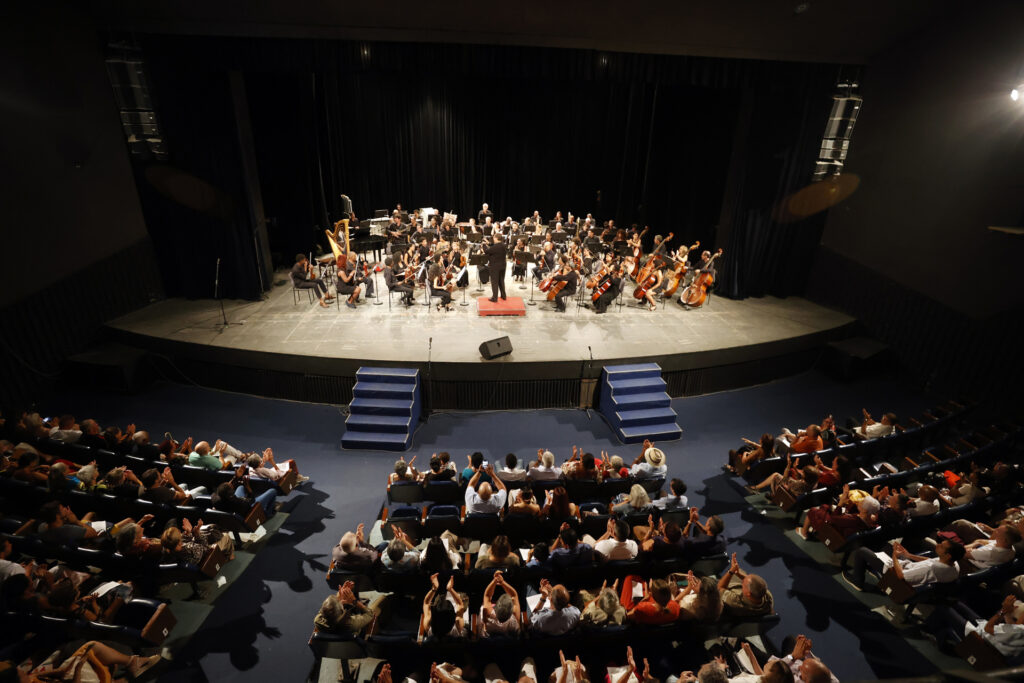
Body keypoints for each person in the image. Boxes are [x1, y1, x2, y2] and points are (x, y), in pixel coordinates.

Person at [843, 539, 965, 592]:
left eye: (941, 546)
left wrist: (895, 557)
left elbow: (901, 576)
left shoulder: (931, 569)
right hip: (907, 567)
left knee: (862, 551)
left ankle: (857, 581)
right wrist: (908, 554)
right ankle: (873, 567)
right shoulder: (955, 564)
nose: (937, 545)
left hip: (897, 580)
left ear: (948, 555)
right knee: (886, 546)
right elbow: (930, 560)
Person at [315, 580, 389, 635]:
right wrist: (354, 601)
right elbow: (370, 614)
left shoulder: (318, 620)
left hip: (341, 627)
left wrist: (339, 596)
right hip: (362, 628)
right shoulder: (351, 624)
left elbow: (326, 610)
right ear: (342, 611)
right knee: (384, 597)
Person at [423, 573, 466, 638]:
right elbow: (460, 604)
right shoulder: (458, 627)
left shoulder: (428, 627)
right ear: (453, 618)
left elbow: (426, 603)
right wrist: (450, 589)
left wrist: (434, 589)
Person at [481, 571, 521, 636]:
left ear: (495, 607)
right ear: (511, 611)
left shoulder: (488, 615)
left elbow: (487, 595)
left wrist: (495, 580)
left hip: (490, 641)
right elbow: (514, 595)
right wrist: (502, 582)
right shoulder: (514, 620)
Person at [483, 233, 508, 302]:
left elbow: (486, 251)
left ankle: (494, 298)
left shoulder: (495, 247)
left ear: (496, 238)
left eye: (494, 237)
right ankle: (503, 296)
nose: (493, 239)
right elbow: (494, 246)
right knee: (501, 281)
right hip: (503, 266)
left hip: (495, 266)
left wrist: (484, 245)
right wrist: (489, 243)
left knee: (494, 282)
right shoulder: (504, 245)